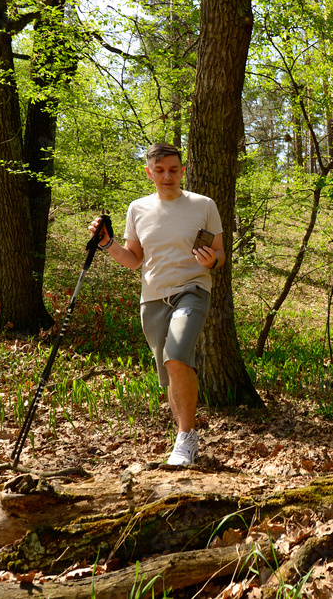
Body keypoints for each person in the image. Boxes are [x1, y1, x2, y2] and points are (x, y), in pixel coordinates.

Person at [89, 143, 224, 466]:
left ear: (183, 171)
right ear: (149, 173)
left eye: (174, 170)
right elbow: (134, 260)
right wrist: (107, 243)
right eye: (160, 170)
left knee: (175, 357)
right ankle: (184, 439)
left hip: (192, 291)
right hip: (152, 299)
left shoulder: (203, 205)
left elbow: (220, 253)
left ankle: (185, 440)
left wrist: (212, 261)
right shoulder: (138, 209)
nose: (168, 177)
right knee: (171, 370)